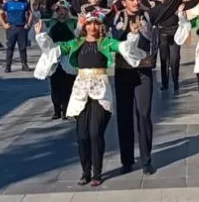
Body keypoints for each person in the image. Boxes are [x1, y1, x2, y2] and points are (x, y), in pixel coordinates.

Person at [33, 12, 146, 187]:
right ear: (85, 26)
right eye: (89, 24)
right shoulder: (76, 43)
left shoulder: (106, 43)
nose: (92, 27)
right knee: (82, 136)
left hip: (101, 92)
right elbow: (53, 50)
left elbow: (125, 48)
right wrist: (41, 35)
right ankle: (85, 171)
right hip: (80, 91)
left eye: (96, 24)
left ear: (100, 26)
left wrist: (132, 35)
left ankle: (97, 173)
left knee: (95, 133)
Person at [105, 0, 196, 176]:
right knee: (124, 117)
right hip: (122, 73)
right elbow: (96, 28)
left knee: (144, 116)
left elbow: (169, 6)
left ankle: (146, 160)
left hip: (144, 73)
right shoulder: (115, 18)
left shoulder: (148, 15)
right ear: (123, 1)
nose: (136, 2)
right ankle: (127, 160)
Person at [156, 0, 199, 92]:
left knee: (175, 59)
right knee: (164, 60)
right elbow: (147, 3)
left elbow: (193, 3)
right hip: (163, 33)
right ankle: (165, 84)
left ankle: (175, 82)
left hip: (175, 34)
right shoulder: (160, 5)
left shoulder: (179, 5)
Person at [44, 0, 78, 120]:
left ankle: (66, 109)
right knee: (55, 83)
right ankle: (56, 109)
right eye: (59, 10)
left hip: (68, 53)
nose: (61, 12)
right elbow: (41, 25)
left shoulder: (73, 22)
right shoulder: (51, 22)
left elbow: (79, 32)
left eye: (64, 10)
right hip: (55, 53)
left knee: (68, 82)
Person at [0, 0, 33, 73]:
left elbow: (30, 13)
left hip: (22, 28)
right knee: (10, 47)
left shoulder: (25, 3)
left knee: (22, 47)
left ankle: (24, 65)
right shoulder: (8, 3)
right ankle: (8, 66)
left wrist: (28, 24)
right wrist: (4, 24)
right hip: (11, 28)